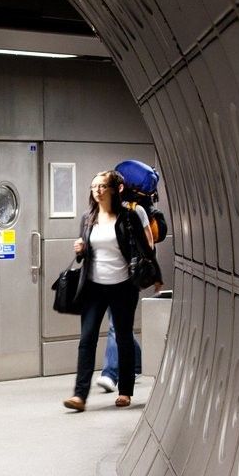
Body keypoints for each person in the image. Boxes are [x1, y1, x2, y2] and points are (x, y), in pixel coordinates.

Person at [63, 170, 161, 412]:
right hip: (93, 287)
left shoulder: (128, 216)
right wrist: (79, 250)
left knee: (124, 338)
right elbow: (85, 253)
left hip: (122, 286)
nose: (97, 191)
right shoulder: (88, 218)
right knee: (87, 339)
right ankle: (79, 395)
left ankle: (125, 391)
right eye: (94, 186)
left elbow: (144, 249)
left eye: (102, 186)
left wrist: (156, 275)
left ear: (114, 189)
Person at [96, 160, 166, 392]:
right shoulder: (107, 210)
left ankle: (110, 373)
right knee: (121, 326)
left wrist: (154, 273)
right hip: (107, 274)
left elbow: (149, 245)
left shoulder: (137, 211)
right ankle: (136, 363)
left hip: (128, 275)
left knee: (117, 324)